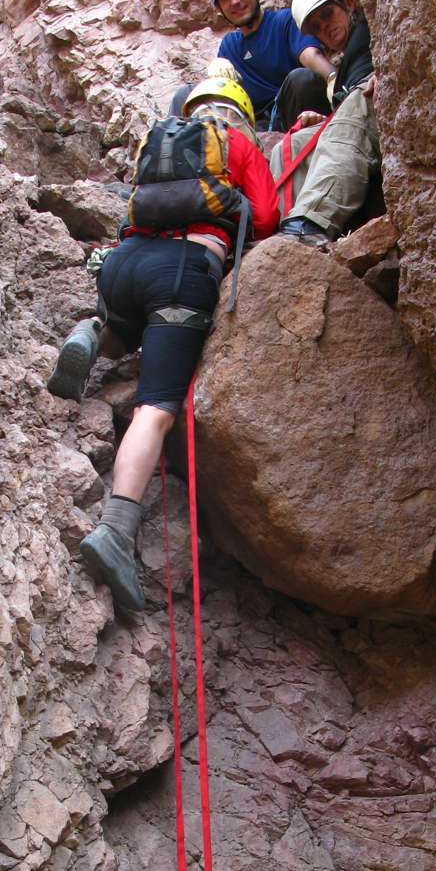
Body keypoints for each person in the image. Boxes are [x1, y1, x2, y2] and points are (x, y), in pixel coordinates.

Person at [49, 77, 280, 616]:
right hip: (182, 269)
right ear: (241, 113)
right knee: (155, 408)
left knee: (132, 329)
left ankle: (92, 333)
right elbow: (267, 219)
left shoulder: (163, 140)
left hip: (123, 265)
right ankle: (115, 529)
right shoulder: (236, 144)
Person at [273, 0, 380, 247]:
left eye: (327, 14)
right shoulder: (345, 67)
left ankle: (310, 223)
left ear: (349, 4)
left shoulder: (372, 29)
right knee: (290, 145)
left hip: (369, 101)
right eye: (316, 27)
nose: (325, 27)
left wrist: (386, 71)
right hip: (355, 111)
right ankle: (287, 227)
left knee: (354, 104)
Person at [203, 0, 333, 130]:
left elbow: (310, 55)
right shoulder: (229, 47)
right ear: (219, 9)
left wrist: (334, 78)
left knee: (301, 78)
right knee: (186, 96)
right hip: (255, 130)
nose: (235, 1)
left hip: (295, 113)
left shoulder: (284, 21)